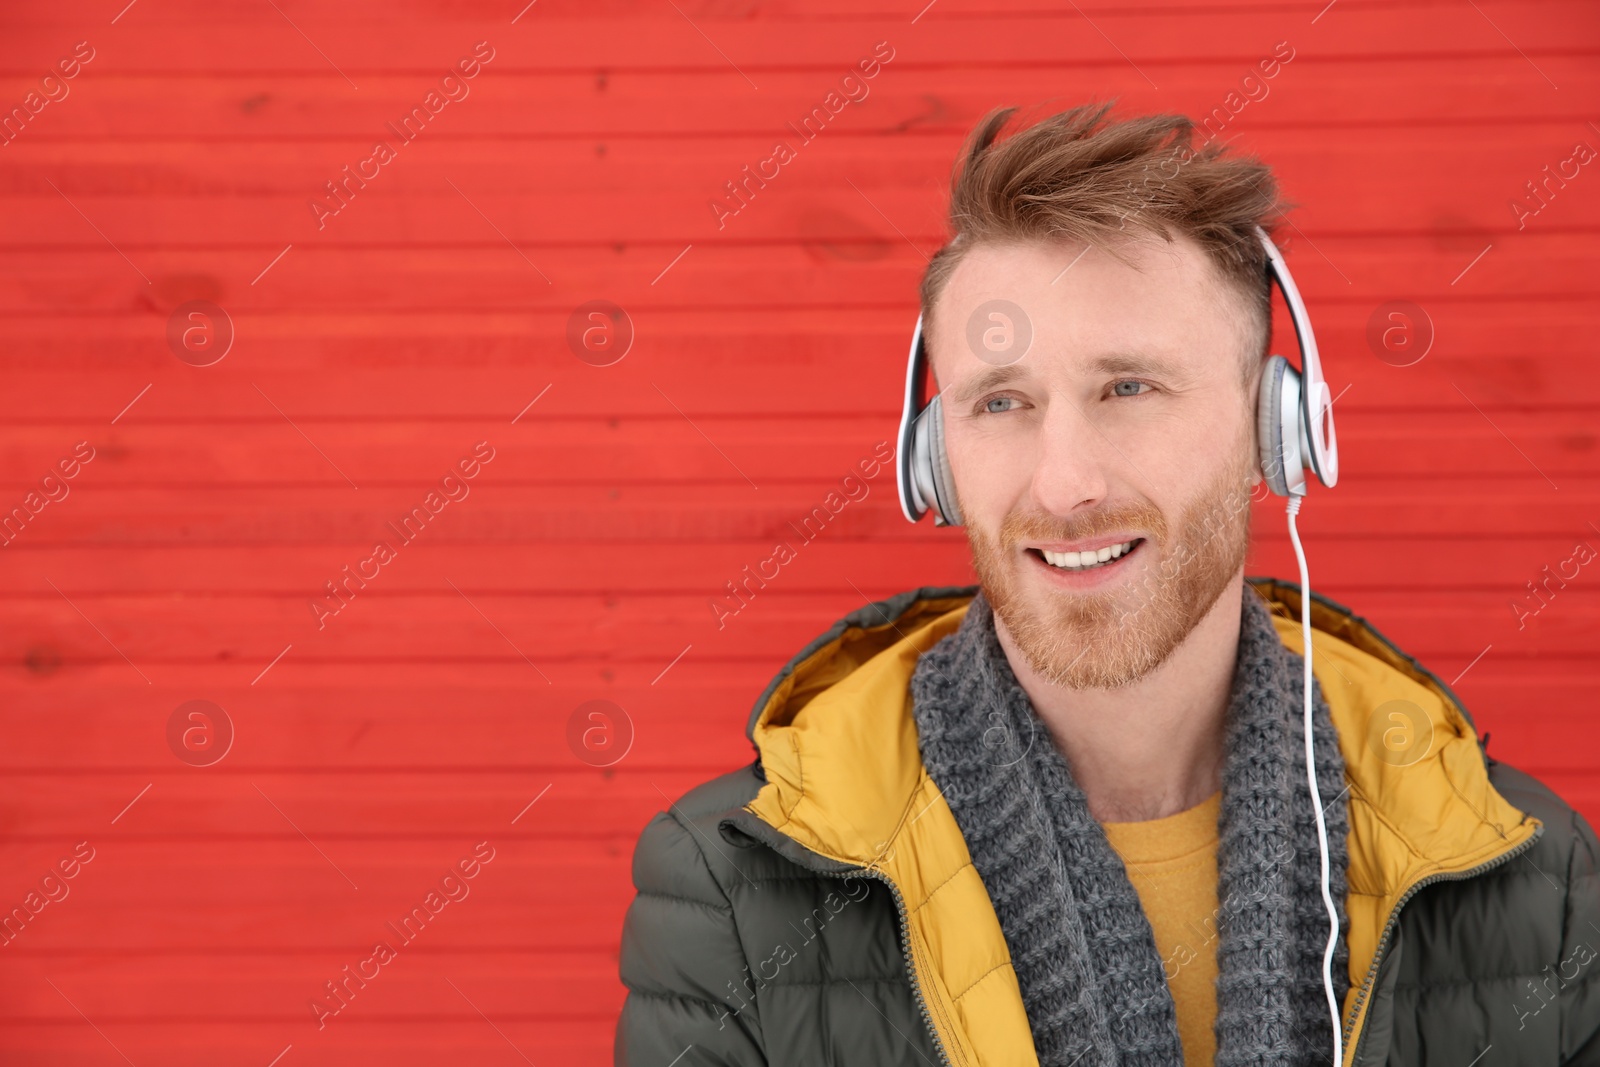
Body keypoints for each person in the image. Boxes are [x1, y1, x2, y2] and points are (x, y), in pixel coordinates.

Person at [613, 101, 1600, 1066]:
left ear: (1277, 425)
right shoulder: (731, 887)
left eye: (1128, 387)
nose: (1064, 483)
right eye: (1000, 401)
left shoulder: (1533, 883)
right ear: (932, 458)